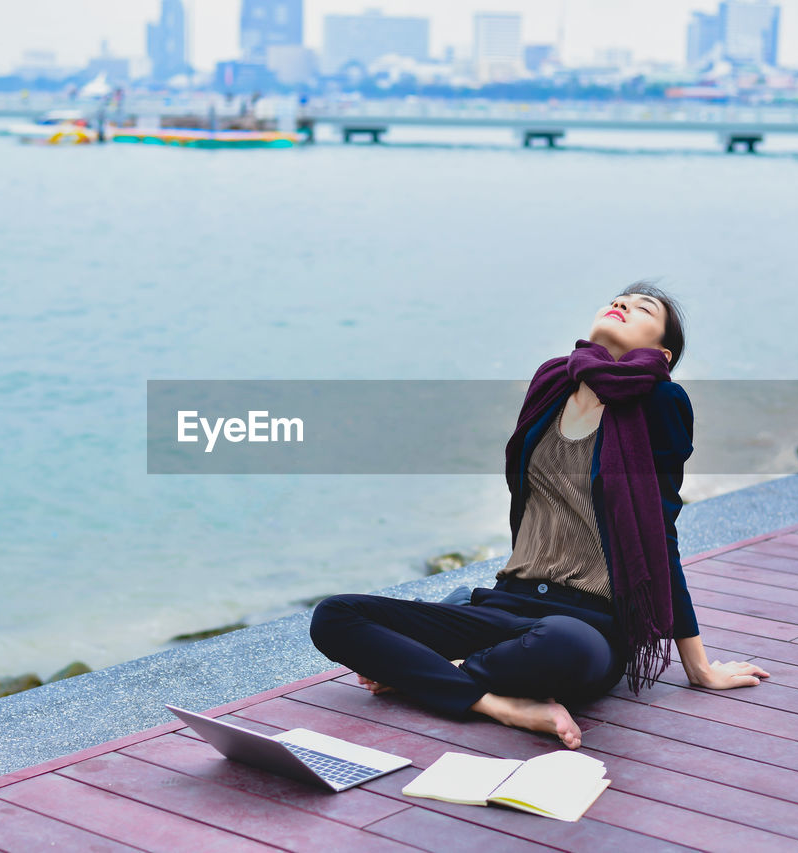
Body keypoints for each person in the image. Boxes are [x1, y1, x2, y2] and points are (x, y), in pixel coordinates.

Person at [309, 282, 770, 749]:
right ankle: (495, 703)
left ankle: (432, 672)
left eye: (641, 307)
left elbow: (659, 529)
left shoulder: (662, 404)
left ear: (663, 354)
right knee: (333, 616)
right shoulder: (552, 383)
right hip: (504, 605)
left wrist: (700, 667)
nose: (620, 305)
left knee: (560, 644)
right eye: (617, 300)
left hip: (587, 626)